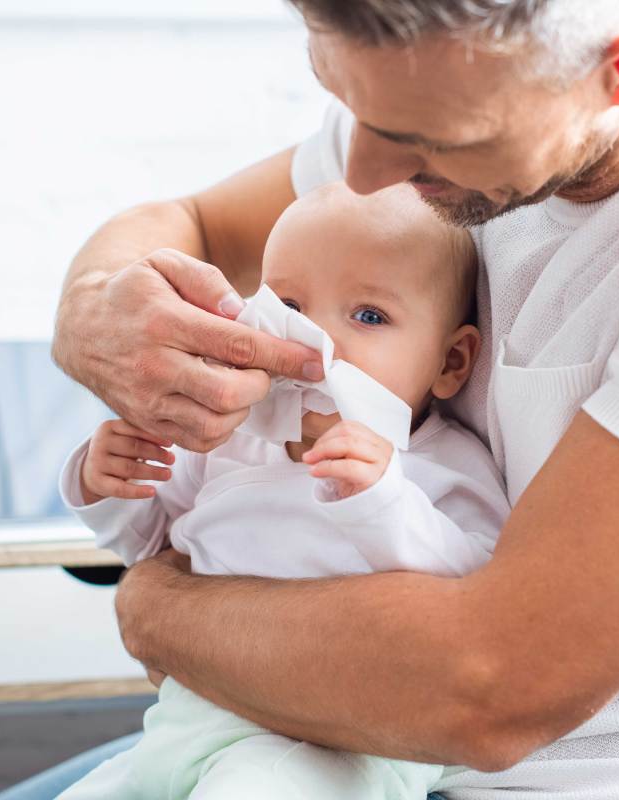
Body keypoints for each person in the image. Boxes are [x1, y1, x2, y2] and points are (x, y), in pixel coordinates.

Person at [39, 0, 619, 796]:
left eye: (427, 139)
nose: (366, 174)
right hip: (256, 720)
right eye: (344, 102)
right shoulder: (437, 92)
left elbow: (486, 692)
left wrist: (157, 610)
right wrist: (93, 306)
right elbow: (188, 219)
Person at [55, 182, 509, 800]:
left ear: (451, 361)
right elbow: (151, 547)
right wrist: (110, 483)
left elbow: (476, 587)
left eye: (369, 316)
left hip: (328, 751)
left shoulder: (438, 466)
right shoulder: (230, 438)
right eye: (289, 307)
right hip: (185, 721)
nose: (314, 346)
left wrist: (382, 500)